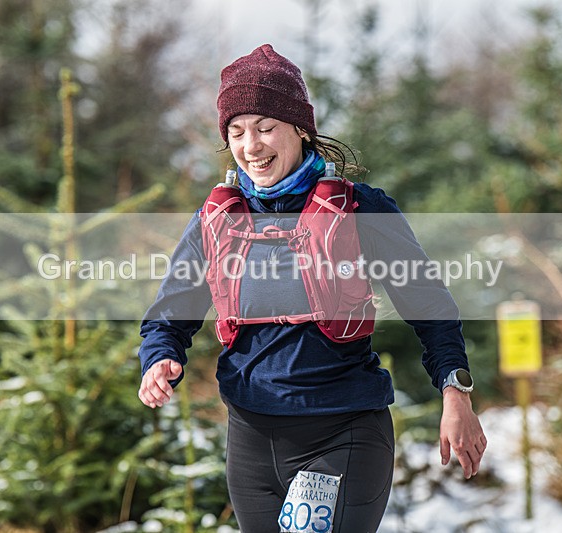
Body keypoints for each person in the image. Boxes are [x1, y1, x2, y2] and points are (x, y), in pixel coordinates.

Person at [138, 44, 486, 533]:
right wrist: (158, 356)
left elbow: (428, 304)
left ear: (301, 129)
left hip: (342, 433)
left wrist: (456, 392)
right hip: (251, 441)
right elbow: (169, 312)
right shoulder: (216, 221)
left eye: (265, 128)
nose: (251, 146)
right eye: (236, 132)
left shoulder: (361, 210)